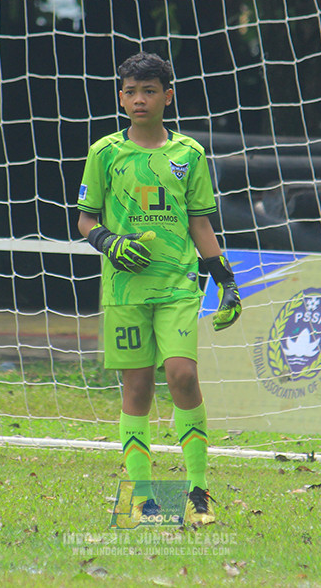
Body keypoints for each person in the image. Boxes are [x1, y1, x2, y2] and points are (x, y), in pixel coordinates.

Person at [76, 51, 241, 524]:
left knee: (183, 376)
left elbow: (200, 223)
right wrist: (108, 241)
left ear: (168, 96)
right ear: (120, 98)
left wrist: (225, 280)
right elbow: (86, 219)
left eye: (149, 91)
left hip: (177, 285)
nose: (139, 99)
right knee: (138, 386)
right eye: (130, 91)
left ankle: (197, 492)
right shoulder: (104, 153)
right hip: (126, 289)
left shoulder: (189, 155)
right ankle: (142, 496)